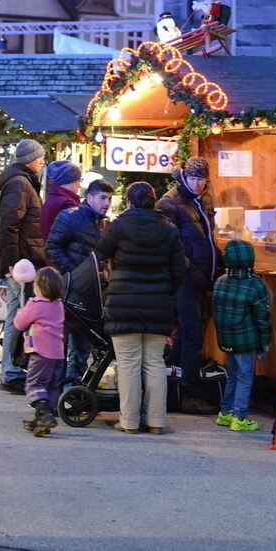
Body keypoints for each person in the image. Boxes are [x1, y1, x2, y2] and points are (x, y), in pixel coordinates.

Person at [95, 182, 186, 434]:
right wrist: (164, 290)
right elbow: (180, 270)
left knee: (128, 364)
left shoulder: (120, 226)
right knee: (155, 363)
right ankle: (156, 421)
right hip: (158, 305)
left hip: (124, 304)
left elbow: (100, 251)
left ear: (129, 202)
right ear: (154, 201)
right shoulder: (169, 229)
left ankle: (129, 422)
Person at [156, 156, 221, 414]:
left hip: (202, 276)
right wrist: (189, 270)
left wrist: (218, 261)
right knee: (191, 333)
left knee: (186, 334)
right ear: (184, 176)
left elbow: (206, 236)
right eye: (193, 178)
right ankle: (190, 394)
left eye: (202, 179)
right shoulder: (170, 202)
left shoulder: (203, 199)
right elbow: (169, 244)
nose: (198, 183)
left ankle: (171, 386)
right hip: (185, 279)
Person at [45, 178, 113, 381]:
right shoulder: (70, 216)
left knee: (83, 344)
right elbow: (52, 247)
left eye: (109, 199)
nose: (107, 203)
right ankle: (59, 390)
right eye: (102, 198)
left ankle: (72, 390)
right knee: (64, 344)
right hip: (68, 290)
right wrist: (73, 274)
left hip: (90, 292)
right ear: (89, 197)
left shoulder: (101, 223)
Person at [0, 139, 46, 393]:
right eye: (39, 157)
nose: (42, 161)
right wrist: (12, 264)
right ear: (30, 159)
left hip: (24, 260)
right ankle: (10, 370)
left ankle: (11, 367)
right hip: (22, 263)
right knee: (18, 314)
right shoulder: (20, 183)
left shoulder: (22, 182)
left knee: (18, 313)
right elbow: (9, 226)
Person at [213, 240, 272, 432]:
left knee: (232, 375)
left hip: (226, 338)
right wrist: (264, 344)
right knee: (245, 377)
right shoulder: (255, 285)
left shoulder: (220, 282)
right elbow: (263, 318)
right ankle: (240, 417)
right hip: (245, 339)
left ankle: (225, 413)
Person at [13, 265, 65, 437]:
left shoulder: (36, 304)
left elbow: (20, 324)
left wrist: (20, 313)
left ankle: (44, 415)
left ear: (39, 287)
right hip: (57, 353)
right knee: (50, 387)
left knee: (34, 384)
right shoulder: (58, 305)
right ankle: (42, 419)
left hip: (41, 352)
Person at [39, 160, 82, 241]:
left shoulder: (52, 199)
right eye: (78, 180)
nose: (79, 185)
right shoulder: (67, 203)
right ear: (68, 181)